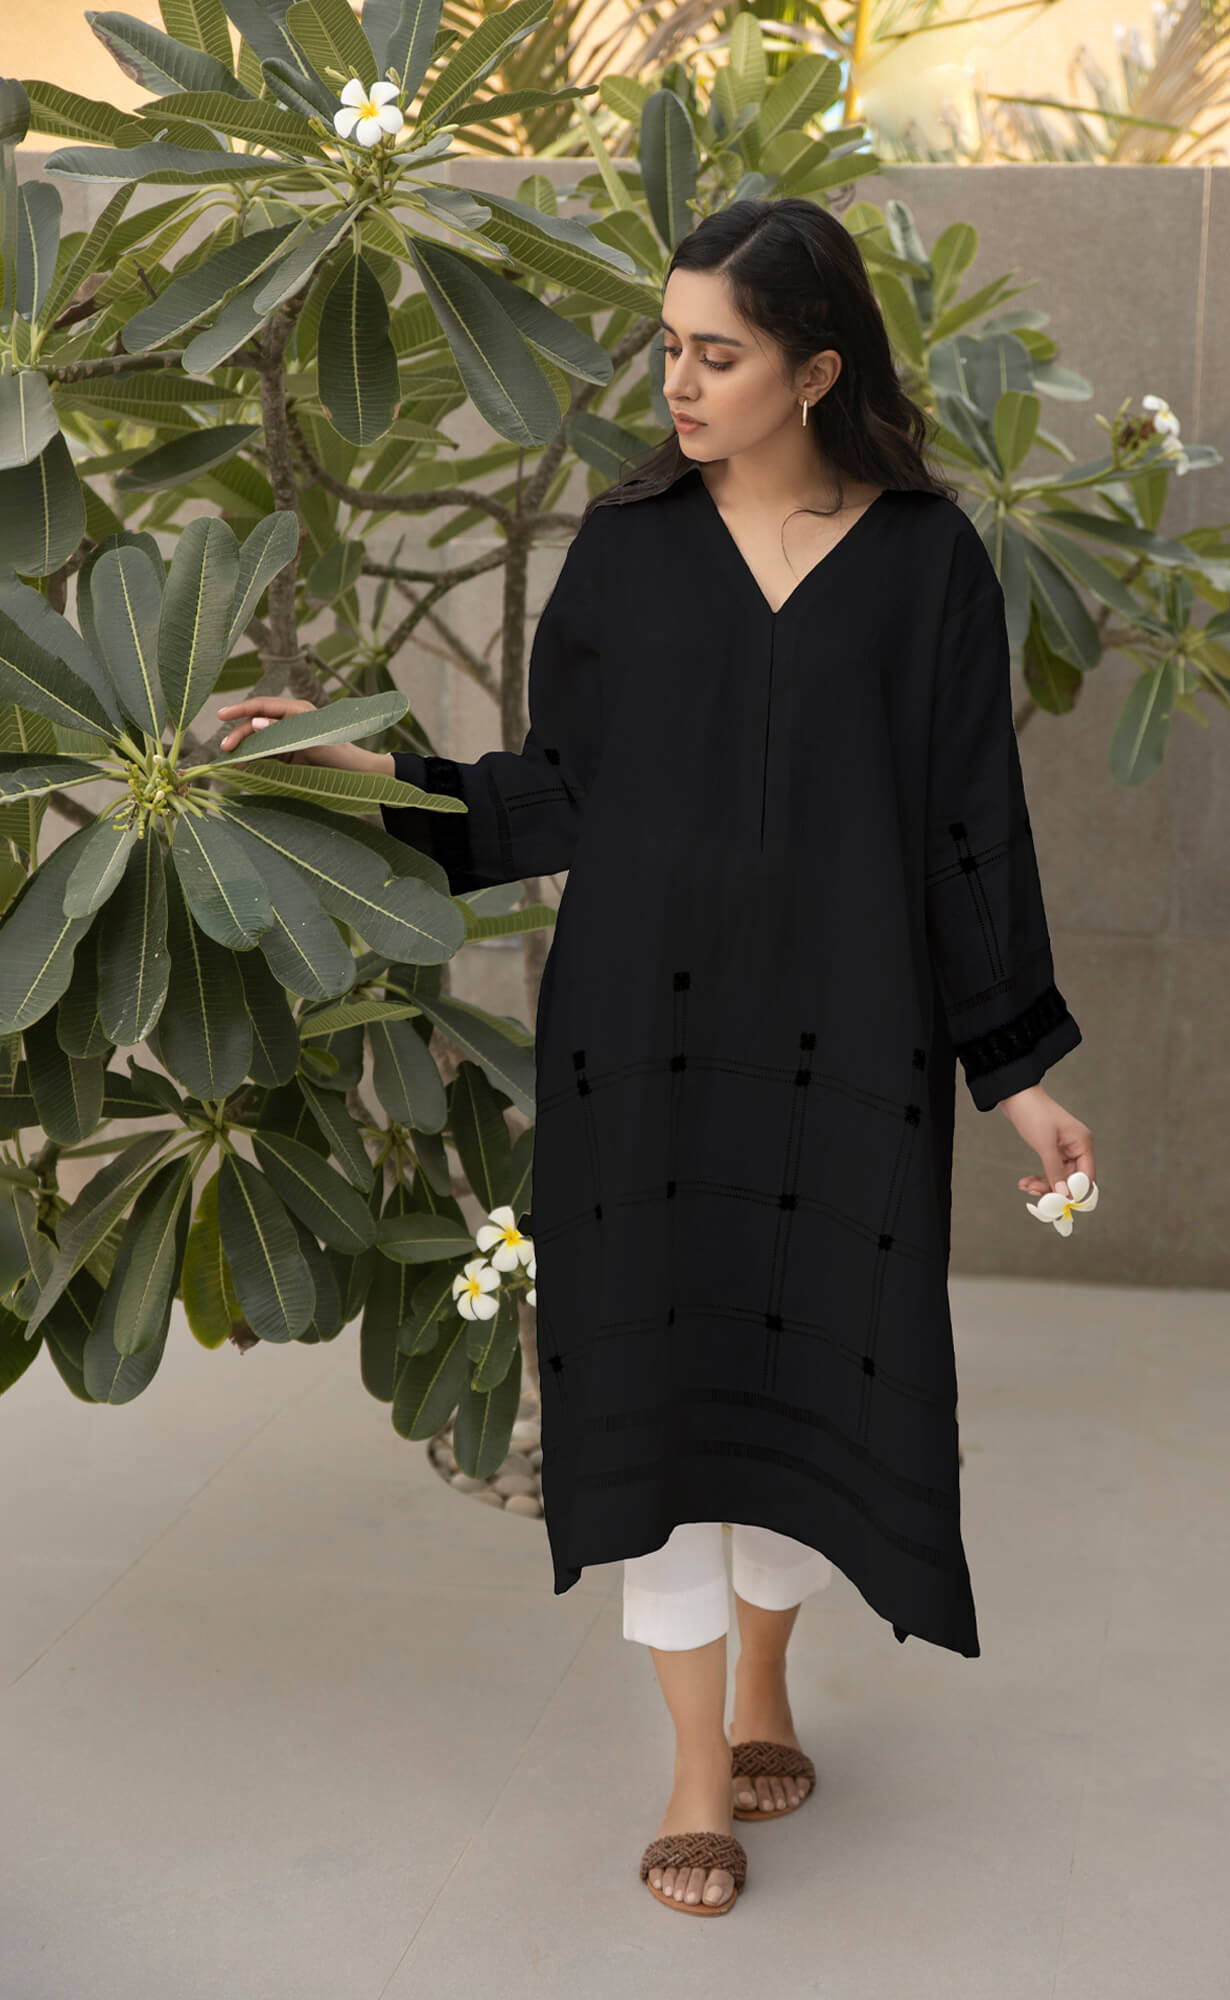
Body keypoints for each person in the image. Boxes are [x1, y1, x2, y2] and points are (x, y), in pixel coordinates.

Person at [218, 196, 1095, 1919]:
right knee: (658, 1385)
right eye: (669, 347)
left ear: (816, 372)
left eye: (718, 353)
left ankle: (769, 1684)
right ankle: (698, 1764)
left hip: (853, 1049)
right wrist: (365, 772)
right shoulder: (627, 549)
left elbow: (970, 832)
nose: (677, 383)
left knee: (812, 1373)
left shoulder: (930, 561)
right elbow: (556, 790)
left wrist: (1019, 1071)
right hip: (644, 1045)